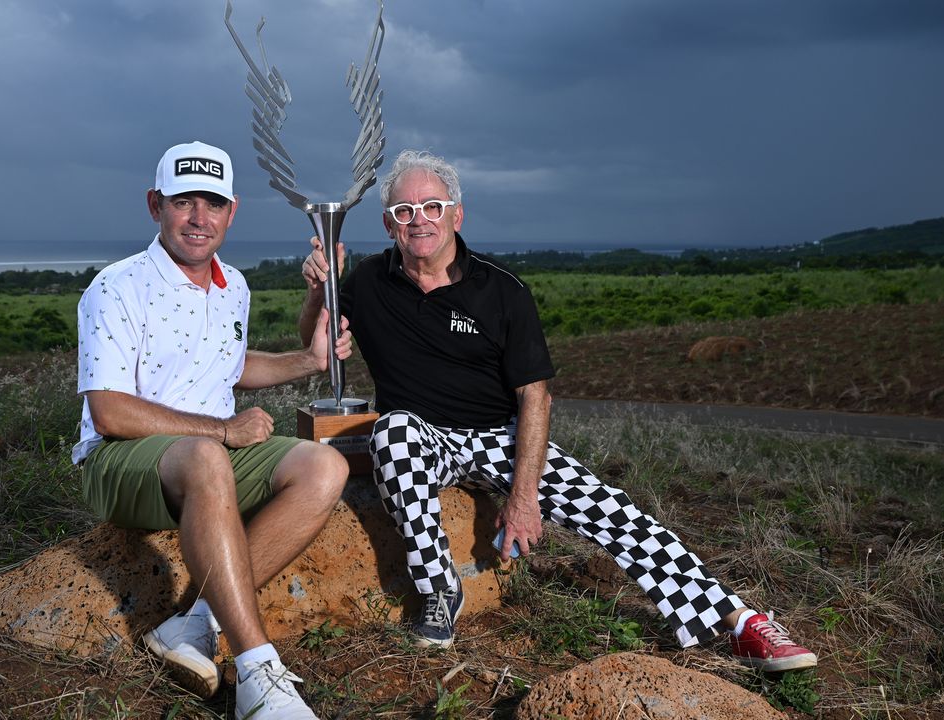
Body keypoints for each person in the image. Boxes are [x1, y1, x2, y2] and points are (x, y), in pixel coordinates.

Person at [298, 149, 817, 672]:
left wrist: (523, 495)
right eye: (405, 212)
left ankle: (739, 622)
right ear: (389, 224)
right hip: (422, 435)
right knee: (392, 432)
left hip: (500, 436)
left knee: (615, 511)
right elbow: (314, 351)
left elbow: (534, 398)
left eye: (432, 206)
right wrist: (321, 291)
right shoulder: (367, 280)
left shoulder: (503, 291)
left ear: (457, 214)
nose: (420, 220)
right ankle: (439, 592)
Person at [73, 140, 350, 719]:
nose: (200, 219)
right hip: (121, 462)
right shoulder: (117, 286)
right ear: (156, 205)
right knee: (205, 457)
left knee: (325, 465)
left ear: (232, 211)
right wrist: (222, 430)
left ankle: (193, 621)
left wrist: (309, 359)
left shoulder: (233, 287)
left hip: (207, 459)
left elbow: (231, 366)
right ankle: (258, 674)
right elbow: (109, 412)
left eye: (214, 204)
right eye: (184, 202)